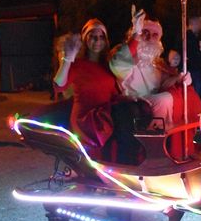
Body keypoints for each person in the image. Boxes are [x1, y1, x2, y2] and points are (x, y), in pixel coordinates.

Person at [53, 19, 141, 163]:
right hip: (88, 118)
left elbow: (126, 55)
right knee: (123, 117)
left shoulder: (107, 63)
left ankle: (128, 164)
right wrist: (67, 59)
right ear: (85, 39)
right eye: (93, 36)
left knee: (133, 111)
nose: (97, 41)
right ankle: (124, 165)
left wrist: (137, 32)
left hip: (106, 113)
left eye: (101, 37)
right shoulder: (78, 65)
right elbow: (59, 84)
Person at [109, 7, 196, 130]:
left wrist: (180, 78)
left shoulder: (156, 63)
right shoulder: (125, 53)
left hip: (154, 107)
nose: (150, 38)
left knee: (172, 98)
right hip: (134, 105)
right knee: (163, 99)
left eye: (155, 35)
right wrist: (136, 36)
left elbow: (164, 83)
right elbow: (118, 65)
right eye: (145, 33)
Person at [187, 16, 201, 102]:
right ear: (194, 24)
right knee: (196, 92)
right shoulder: (188, 37)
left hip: (197, 69)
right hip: (193, 69)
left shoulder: (196, 36)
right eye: (199, 23)